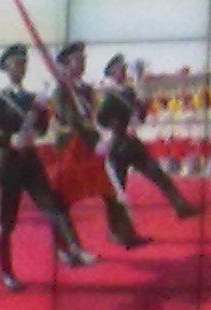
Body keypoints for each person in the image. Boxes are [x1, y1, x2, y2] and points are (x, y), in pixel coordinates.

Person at [0, 43, 96, 291]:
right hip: (8, 163)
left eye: (23, 64)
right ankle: (6, 273)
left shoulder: (33, 98)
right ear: (6, 68)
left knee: (53, 206)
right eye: (16, 64)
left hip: (30, 160)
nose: (21, 68)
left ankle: (72, 248)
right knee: (7, 221)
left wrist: (40, 117)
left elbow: (41, 128)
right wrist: (8, 138)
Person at [54, 41, 149, 249]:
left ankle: (121, 233)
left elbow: (95, 117)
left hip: (92, 146)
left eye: (83, 59)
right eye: (78, 60)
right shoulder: (61, 91)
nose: (82, 63)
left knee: (112, 190)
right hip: (71, 149)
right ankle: (64, 248)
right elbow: (71, 120)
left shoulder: (86, 90)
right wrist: (95, 139)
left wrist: (103, 135)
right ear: (66, 64)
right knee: (64, 199)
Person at [98, 54, 204, 220]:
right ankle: (117, 225)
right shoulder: (110, 93)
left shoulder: (128, 91)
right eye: (121, 69)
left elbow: (140, 114)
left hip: (132, 143)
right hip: (117, 145)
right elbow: (101, 119)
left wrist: (142, 106)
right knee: (118, 187)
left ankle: (181, 207)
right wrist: (119, 128)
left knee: (158, 175)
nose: (124, 72)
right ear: (112, 72)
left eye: (124, 68)